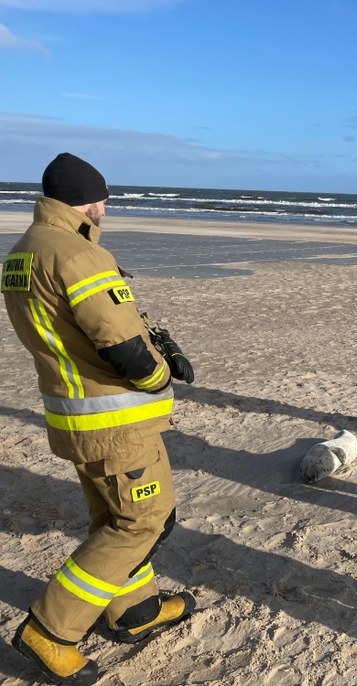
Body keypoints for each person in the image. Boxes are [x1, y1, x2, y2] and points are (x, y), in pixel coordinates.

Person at [2, 153, 196, 685]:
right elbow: (122, 343)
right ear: (88, 198)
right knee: (142, 521)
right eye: (104, 198)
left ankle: (135, 610)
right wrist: (159, 377)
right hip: (116, 420)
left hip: (75, 413)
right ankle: (50, 631)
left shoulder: (24, 252)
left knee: (114, 519)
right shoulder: (76, 252)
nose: (107, 207)